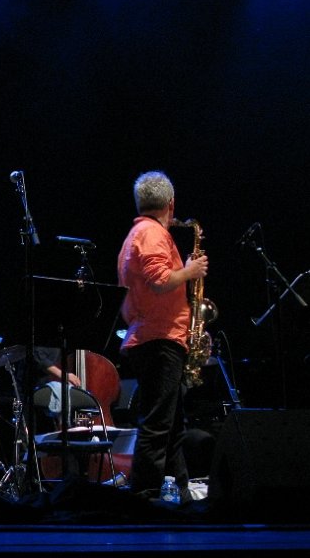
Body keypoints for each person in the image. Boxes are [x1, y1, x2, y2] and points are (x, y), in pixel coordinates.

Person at [117, 170, 208, 503]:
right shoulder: (152, 233)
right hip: (159, 339)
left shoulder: (139, 234)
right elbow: (158, 280)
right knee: (158, 425)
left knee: (172, 427)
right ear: (171, 203)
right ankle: (143, 496)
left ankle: (182, 491)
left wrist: (182, 269)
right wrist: (190, 271)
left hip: (155, 337)